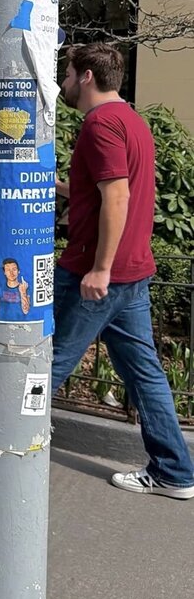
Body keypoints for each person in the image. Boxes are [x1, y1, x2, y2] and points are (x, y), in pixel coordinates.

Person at [52, 43, 194, 498]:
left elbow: (117, 196)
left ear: (87, 76)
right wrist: (56, 186)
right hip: (133, 272)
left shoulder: (99, 124)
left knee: (46, 360)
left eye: (68, 74)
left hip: (98, 274)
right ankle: (175, 472)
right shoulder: (131, 120)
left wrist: (100, 269)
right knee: (145, 374)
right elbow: (106, 190)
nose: (64, 83)